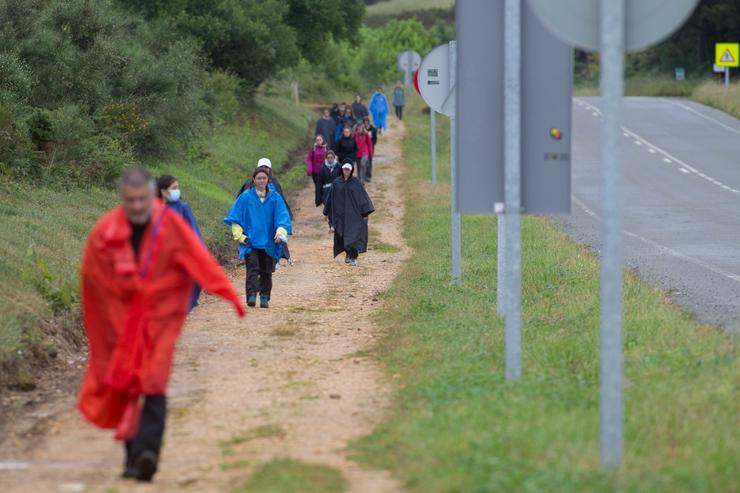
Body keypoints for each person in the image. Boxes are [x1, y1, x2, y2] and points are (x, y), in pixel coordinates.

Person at [78, 168, 244, 482]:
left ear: (151, 195)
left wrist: (228, 293)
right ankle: (132, 458)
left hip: (159, 319)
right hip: (121, 322)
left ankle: (148, 452)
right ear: (122, 199)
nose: (138, 206)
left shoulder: (169, 224)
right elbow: (93, 280)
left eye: (142, 199)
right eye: (131, 201)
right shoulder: (106, 231)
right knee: (126, 384)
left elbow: (197, 257)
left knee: (152, 381)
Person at [225, 167, 292, 308]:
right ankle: (251, 295)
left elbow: (282, 217)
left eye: (264, 178)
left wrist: (280, 233)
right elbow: (235, 218)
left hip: (269, 242)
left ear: (268, 180)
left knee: (266, 270)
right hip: (251, 242)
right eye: (259, 178)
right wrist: (240, 236)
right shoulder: (245, 197)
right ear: (254, 180)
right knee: (253, 268)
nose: (261, 181)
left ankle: (264, 297)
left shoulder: (275, 198)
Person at [156, 175, 203, 312]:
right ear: (163, 191)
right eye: (173, 188)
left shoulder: (182, 208)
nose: (177, 191)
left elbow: (194, 232)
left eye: (177, 187)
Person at [236, 158, 294, 265]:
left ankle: (276, 258)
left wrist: (286, 213)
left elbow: (280, 201)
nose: (262, 180)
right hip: (252, 219)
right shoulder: (248, 184)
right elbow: (240, 201)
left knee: (275, 237)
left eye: (266, 168)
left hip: (269, 218)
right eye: (262, 168)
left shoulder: (274, 183)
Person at [323, 161, 375, 266]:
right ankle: (348, 253)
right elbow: (331, 199)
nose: (346, 171)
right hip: (340, 215)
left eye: (348, 170)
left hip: (354, 216)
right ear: (342, 170)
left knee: (353, 236)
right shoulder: (336, 183)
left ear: (351, 171)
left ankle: (354, 256)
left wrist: (365, 213)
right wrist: (326, 212)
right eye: (344, 169)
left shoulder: (356, 183)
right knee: (341, 235)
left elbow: (363, 198)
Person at [306, 134, 328, 200]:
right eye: (317, 140)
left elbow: (329, 159)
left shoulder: (326, 149)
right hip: (315, 172)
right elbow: (309, 159)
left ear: (323, 140)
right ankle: (319, 198)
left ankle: (324, 197)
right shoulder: (313, 149)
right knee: (317, 185)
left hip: (324, 171)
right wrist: (309, 169)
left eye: (320, 140)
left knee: (324, 185)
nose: (319, 141)